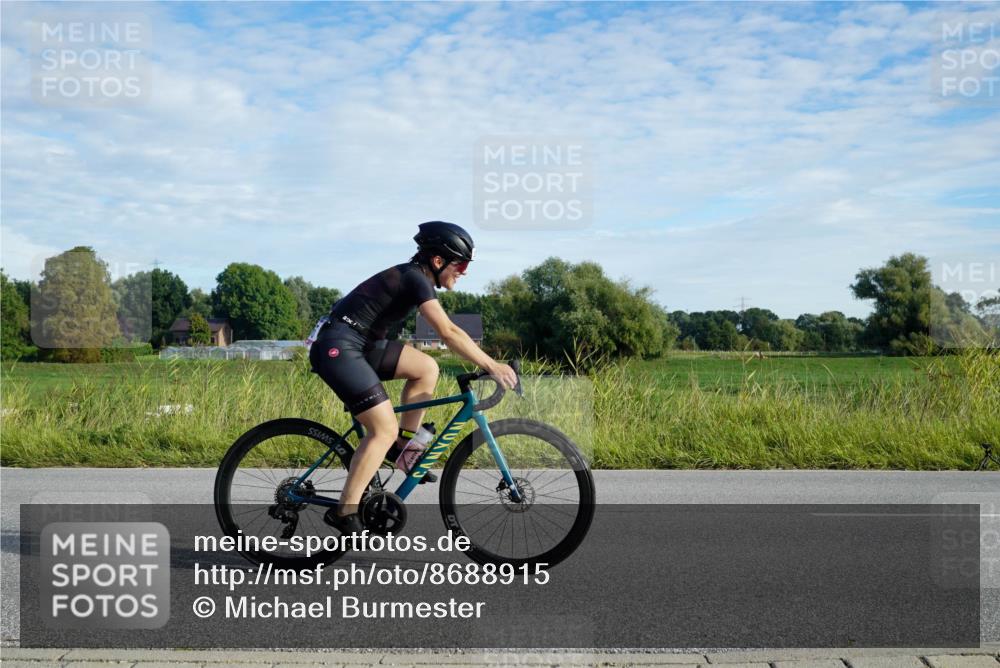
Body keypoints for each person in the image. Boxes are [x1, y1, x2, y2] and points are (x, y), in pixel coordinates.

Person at [308, 221, 518, 536]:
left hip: (363, 345)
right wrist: (491, 364)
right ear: (438, 261)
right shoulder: (414, 278)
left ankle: (401, 448)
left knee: (426, 368)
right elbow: (447, 332)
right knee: (382, 429)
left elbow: (451, 331)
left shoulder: (416, 277)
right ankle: (345, 511)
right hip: (338, 346)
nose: (464, 272)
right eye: (461, 265)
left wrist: (489, 362)